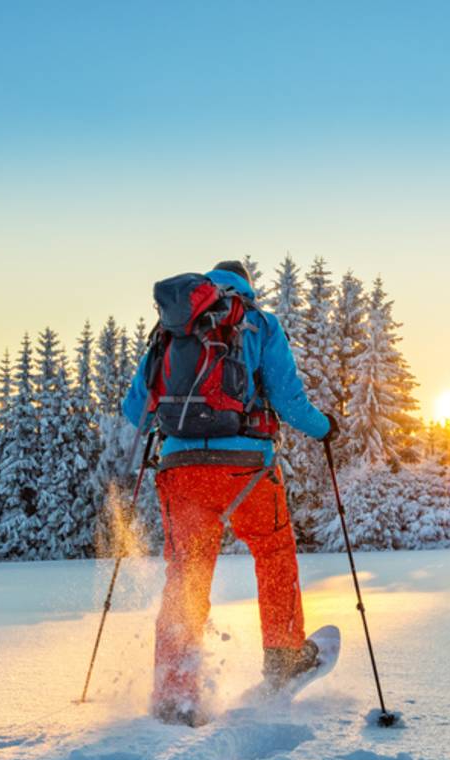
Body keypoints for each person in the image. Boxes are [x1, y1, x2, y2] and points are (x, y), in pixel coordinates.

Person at [121, 259, 337, 725]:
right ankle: (283, 657)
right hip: (247, 469)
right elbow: (288, 400)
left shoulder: (171, 329)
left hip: (180, 471)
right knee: (273, 551)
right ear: (247, 287)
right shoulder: (258, 323)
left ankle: (175, 693)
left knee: (186, 574)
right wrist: (325, 429)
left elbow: (134, 408)